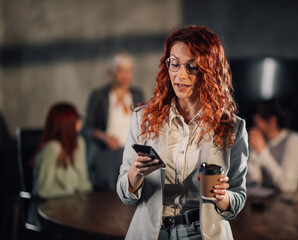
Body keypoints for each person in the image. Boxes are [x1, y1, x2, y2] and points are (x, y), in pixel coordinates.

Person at [116, 26, 249, 240]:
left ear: (210, 71)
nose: (180, 75)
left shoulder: (231, 127)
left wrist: (223, 198)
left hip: (204, 234)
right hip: (152, 233)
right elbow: (125, 194)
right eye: (174, 64)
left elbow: (238, 196)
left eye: (192, 67)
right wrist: (135, 174)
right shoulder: (143, 118)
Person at [82, 53, 144, 190]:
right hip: (107, 151)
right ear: (111, 72)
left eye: (128, 70)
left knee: (131, 188)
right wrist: (105, 137)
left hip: (132, 151)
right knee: (108, 193)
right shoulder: (99, 96)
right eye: (121, 70)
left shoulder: (137, 94)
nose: (125, 75)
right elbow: (86, 128)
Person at [32, 103, 92, 199]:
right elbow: (43, 190)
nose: (80, 120)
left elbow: (83, 182)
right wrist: (72, 194)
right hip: (52, 207)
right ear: (66, 123)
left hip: (75, 204)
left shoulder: (79, 143)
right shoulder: (52, 149)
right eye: (76, 117)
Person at [247, 98, 298, 192]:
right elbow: (253, 180)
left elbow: (287, 185)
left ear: (272, 121)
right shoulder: (263, 141)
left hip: (290, 201)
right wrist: (253, 151)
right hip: (267, 200)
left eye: (259, 115)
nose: (254, 118)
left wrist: (263, 152)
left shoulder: (294, 140)